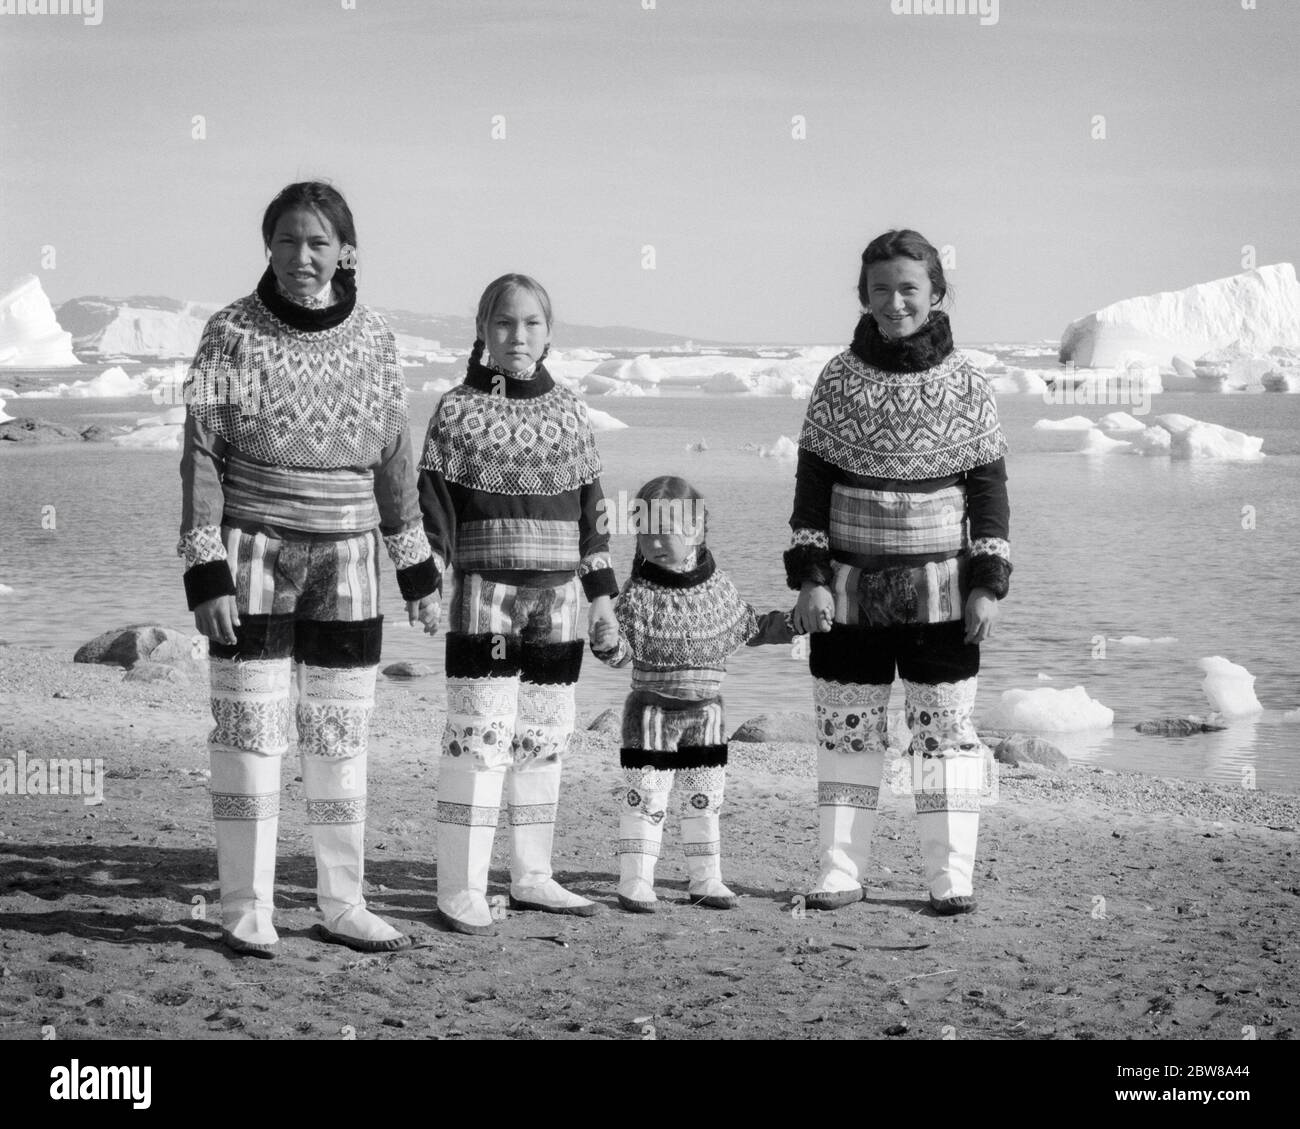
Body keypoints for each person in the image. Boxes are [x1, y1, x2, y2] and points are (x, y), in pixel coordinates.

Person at [179, 181, 440, 957]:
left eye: (318, 241)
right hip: (254, 548)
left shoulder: (377, 338)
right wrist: (205, 566)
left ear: (345, 251)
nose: (302, 256)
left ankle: (342, 901)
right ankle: (245, 907)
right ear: (269, 245)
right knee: (250, 732)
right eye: (288, 240)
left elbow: (395, 453)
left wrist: (416, 566)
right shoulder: (229, 332)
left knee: (338, 736)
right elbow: (202, 452)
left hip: (351, 557)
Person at [786, 229, 1011, 916]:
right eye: (880, 289)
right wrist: (811, 577)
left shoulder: (969, 383)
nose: (894, 301)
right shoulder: (837, 379)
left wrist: (987, 582)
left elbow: (988, 492)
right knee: (848, 729)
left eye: (908, 287)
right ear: (864, 296)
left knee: (944, 735)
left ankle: (949, 876)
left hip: (943, 594)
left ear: (935, 292)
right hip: (849, 593)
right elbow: (812, 485)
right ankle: (839, 869)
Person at [417, 274, 619, 936]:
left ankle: (532, 876)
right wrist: (428, 580)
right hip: (485, 594)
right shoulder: (455, 410)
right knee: (479, 737)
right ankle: (461, 887)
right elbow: (435, 507)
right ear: (482, 330)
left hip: (558, 598)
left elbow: (593, 514)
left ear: (549, 332)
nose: (518, 336)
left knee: (544, 738)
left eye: (531, 323)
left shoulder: (570, 411)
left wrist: (603, 600)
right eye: (504, 323)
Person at [591, 476, 793, 913]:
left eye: (668, 530)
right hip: (651, 714)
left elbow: (747, 627)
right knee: (646, 798)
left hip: (707, 715)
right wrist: (607, 640)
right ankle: (636, 880)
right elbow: (623, 653)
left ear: (698, 531)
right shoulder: (638, 593)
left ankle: (706, 879)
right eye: (646, 532)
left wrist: (793, 626)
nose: (656, 542)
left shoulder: (717, 586)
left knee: (705, 800)